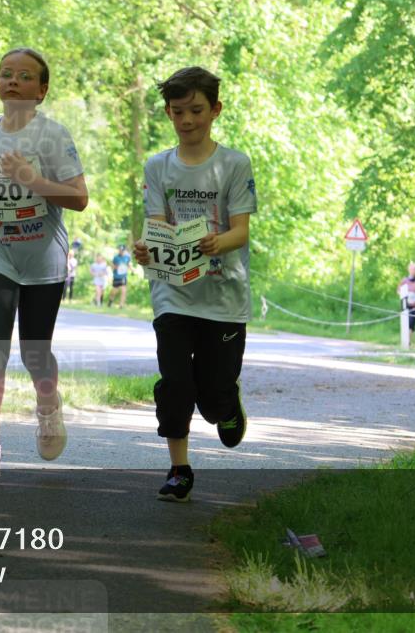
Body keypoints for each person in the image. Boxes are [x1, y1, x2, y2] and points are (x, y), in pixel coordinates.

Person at [0, 47, 88, 477]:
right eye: (5, 74)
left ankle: (48, 405)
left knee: (36, 351)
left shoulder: (53, 136)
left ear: (42, 90)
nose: (12, 81)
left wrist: (33, 180)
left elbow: (80, 198)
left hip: (43, 256)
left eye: (24, 76)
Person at [133, 66, 257, 502]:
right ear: (168, 113)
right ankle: (178, 468)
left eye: (196, 110)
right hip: (173, 293)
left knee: (211, 393)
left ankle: (225, 404)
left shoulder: (234, 164)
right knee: (175, 382)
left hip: (223, 296)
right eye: (178, 111)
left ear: (215, 110)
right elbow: (155, 225)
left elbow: (241, 232)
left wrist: (216, 242)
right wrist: (147, 248)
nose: (187, 120)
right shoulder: (157, 166)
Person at [398, 261, 415, 341]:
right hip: (405, 306)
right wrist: (405, 293)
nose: (414, 270)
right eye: (412, 269)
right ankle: (408, 341)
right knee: (407, 324)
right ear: (408, 270)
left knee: (411, 324)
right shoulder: (404, 281)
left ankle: (408, 341)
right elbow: (398, 291)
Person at [109, 244, 132, 308]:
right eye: (119, 250)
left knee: (123, 290)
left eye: (122, 250)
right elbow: (112, 265)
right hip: (116, 276)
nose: (120, 251)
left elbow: (128, 264)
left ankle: (121, 305)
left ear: (124, 250)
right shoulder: (116, 257)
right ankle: (110, 301)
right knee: (114, 292)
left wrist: (132, 270)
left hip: (123, 277)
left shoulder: (127, 257)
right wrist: (115, 267)